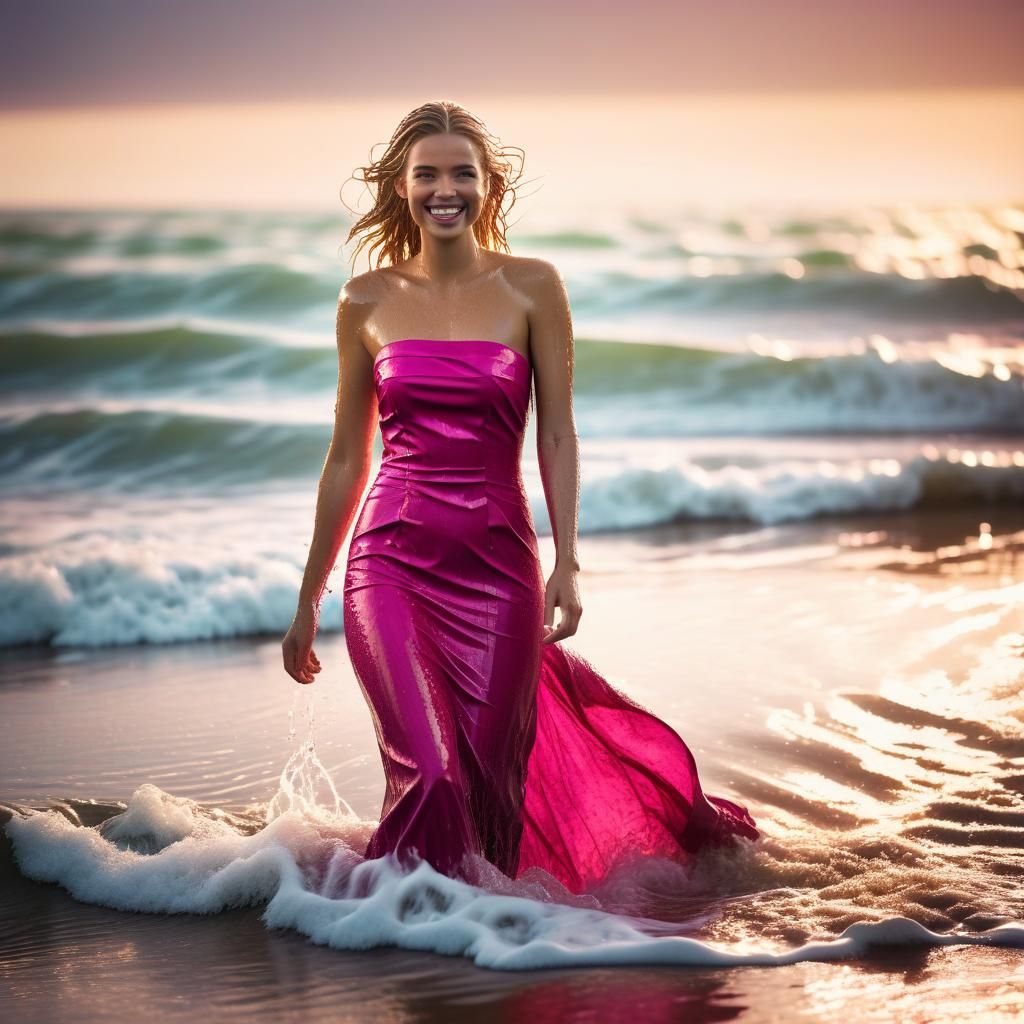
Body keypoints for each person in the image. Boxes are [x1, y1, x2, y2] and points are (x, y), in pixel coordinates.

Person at [282, 100, 760, 896]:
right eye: (427, 174)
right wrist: (309, 598)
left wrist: (568, 560)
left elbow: (559, 435)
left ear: (488, 184)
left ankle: (482, 952)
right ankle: (407, 924)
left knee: (494, 792)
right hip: (389, 564)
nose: (445, 189)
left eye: (461, 173)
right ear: (401, 187)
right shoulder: (363, 301)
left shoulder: (533, 287)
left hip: (499, 565)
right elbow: (345, 458)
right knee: (431, 775)